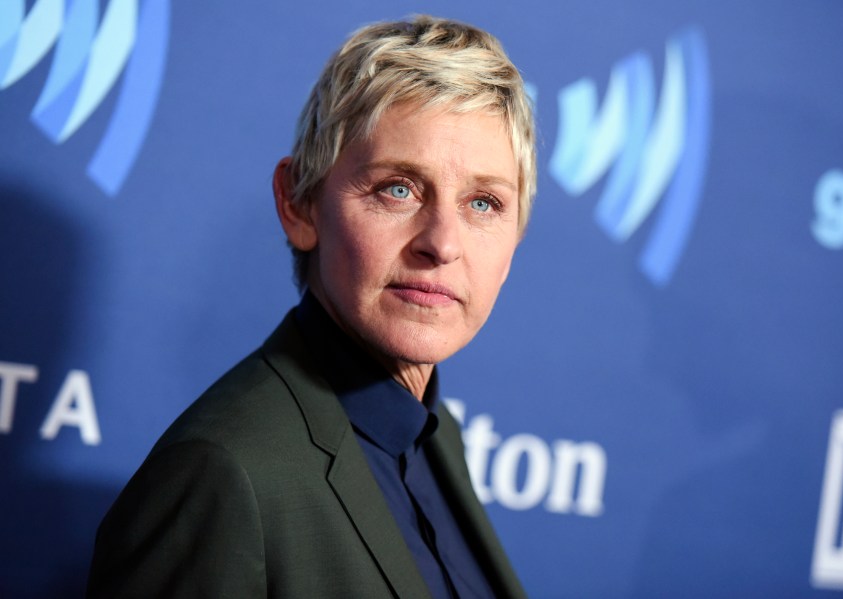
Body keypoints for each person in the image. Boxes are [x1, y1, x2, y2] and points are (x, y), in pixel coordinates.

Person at [87, 14, 536, 599]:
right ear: (299, 204)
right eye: (398, 188)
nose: (443, 243)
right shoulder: (221, 474)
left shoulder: (434, 432)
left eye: (483, 202)